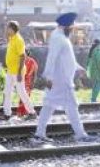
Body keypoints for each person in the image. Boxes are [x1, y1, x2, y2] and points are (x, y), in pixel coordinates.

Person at [34, 12, 92, 142]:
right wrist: (48, 77)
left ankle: (39, 133)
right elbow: (52, 58)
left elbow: (68, 58)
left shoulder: (60, 37)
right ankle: (81, 135)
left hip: (60, 78)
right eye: (72, 26)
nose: (73, 28)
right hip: (61, 80)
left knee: (49, 105)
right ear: (66, 26)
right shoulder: (59, 38)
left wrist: (78, 67)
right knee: (71, 106)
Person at [0, 21, 36, 120]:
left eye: (8, 28)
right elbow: (6, 37)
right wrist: (6, 33)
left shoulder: (19, 40)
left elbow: (22, 56)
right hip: (10, 71)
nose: (6, 29)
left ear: (12, 29)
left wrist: (20, 72)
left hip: (17, 71)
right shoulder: (12, 38)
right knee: (7, 92)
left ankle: (32, 112)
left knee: (21, 92)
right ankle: (7, 114)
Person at [16, 50, 38, 117]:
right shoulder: (22, 61)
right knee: (23, 98)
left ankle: (25, 113)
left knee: (25, 98)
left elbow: (35, 74)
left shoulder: (33, 62)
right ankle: (22, 113)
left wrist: (33, 83)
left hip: (28, 82)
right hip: (22, 81)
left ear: (27, 53)